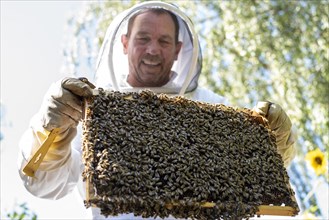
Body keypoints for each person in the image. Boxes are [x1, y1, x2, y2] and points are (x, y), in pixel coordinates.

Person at [18, 2, 297, 220]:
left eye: (164, 41)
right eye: (143, 38)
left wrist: (275, 146)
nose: (153, 49)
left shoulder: (209, 104)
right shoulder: (91, 109)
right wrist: (50, 129)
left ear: (178, 50)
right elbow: (44, 184)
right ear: (125, 43)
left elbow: (250, 178)